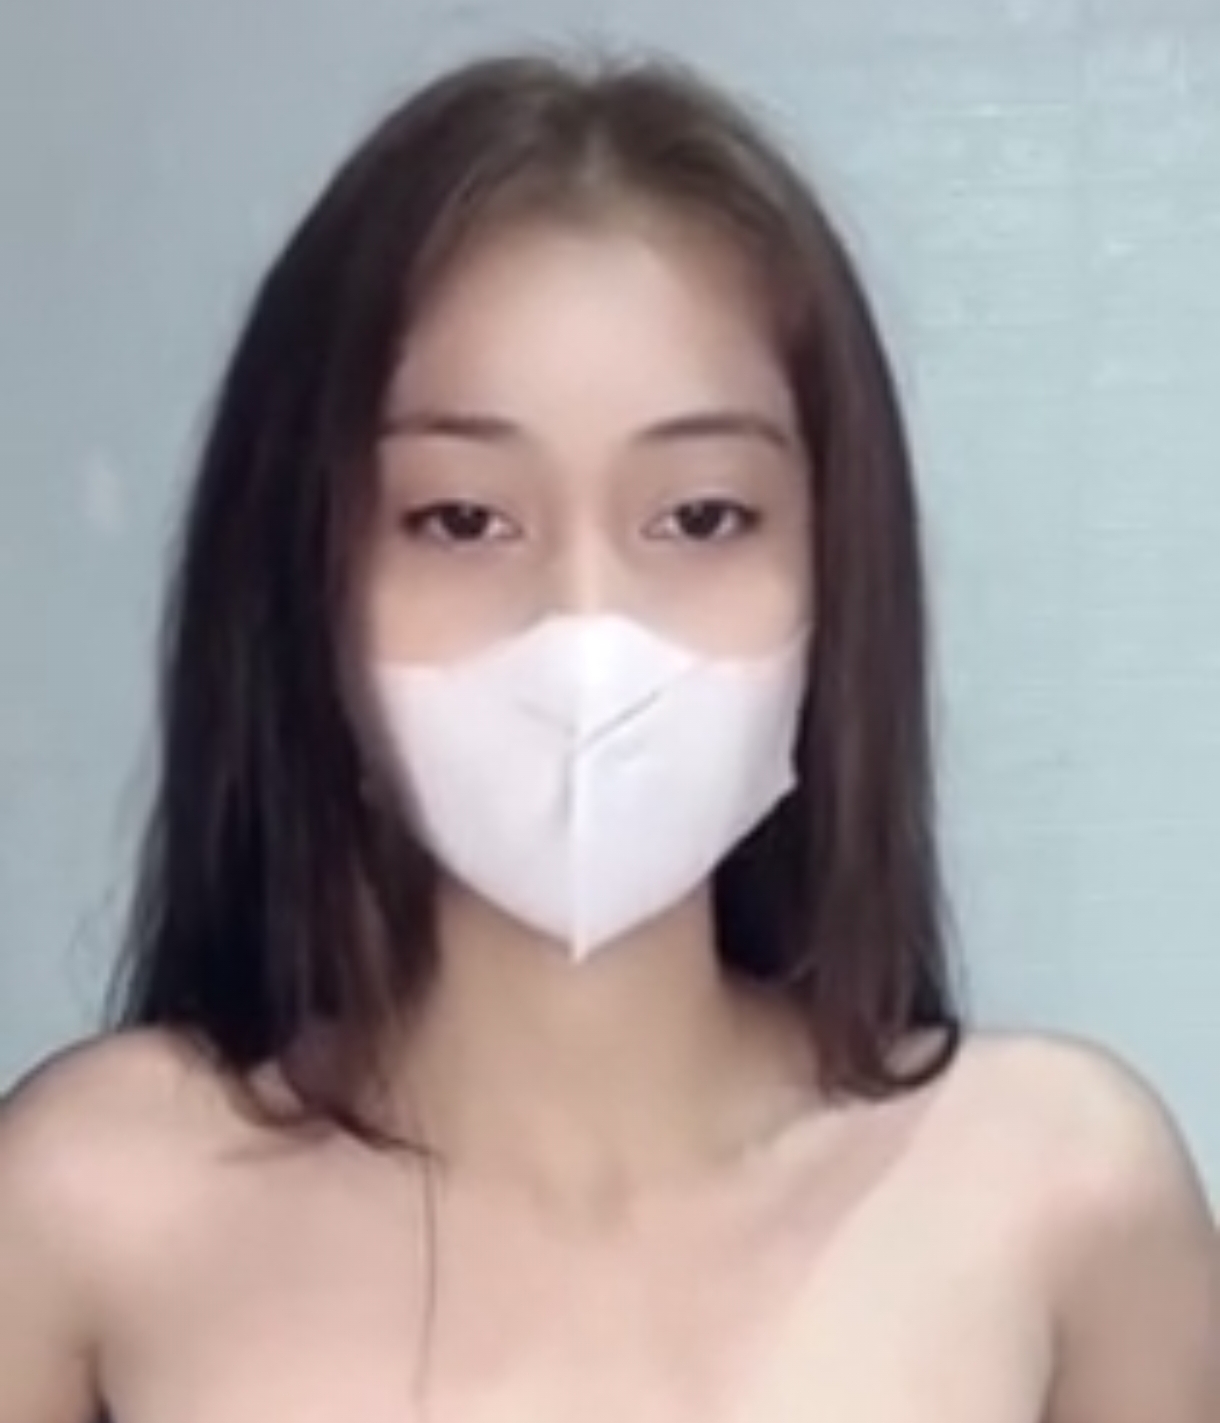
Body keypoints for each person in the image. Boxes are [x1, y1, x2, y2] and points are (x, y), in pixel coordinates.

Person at [0, 50, 1216, 1423]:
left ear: (835, 570)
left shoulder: (1060, 1199)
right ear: (307, 576)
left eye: (700, 517)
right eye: (463, 519)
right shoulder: (86, 1213)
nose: (587, 625)